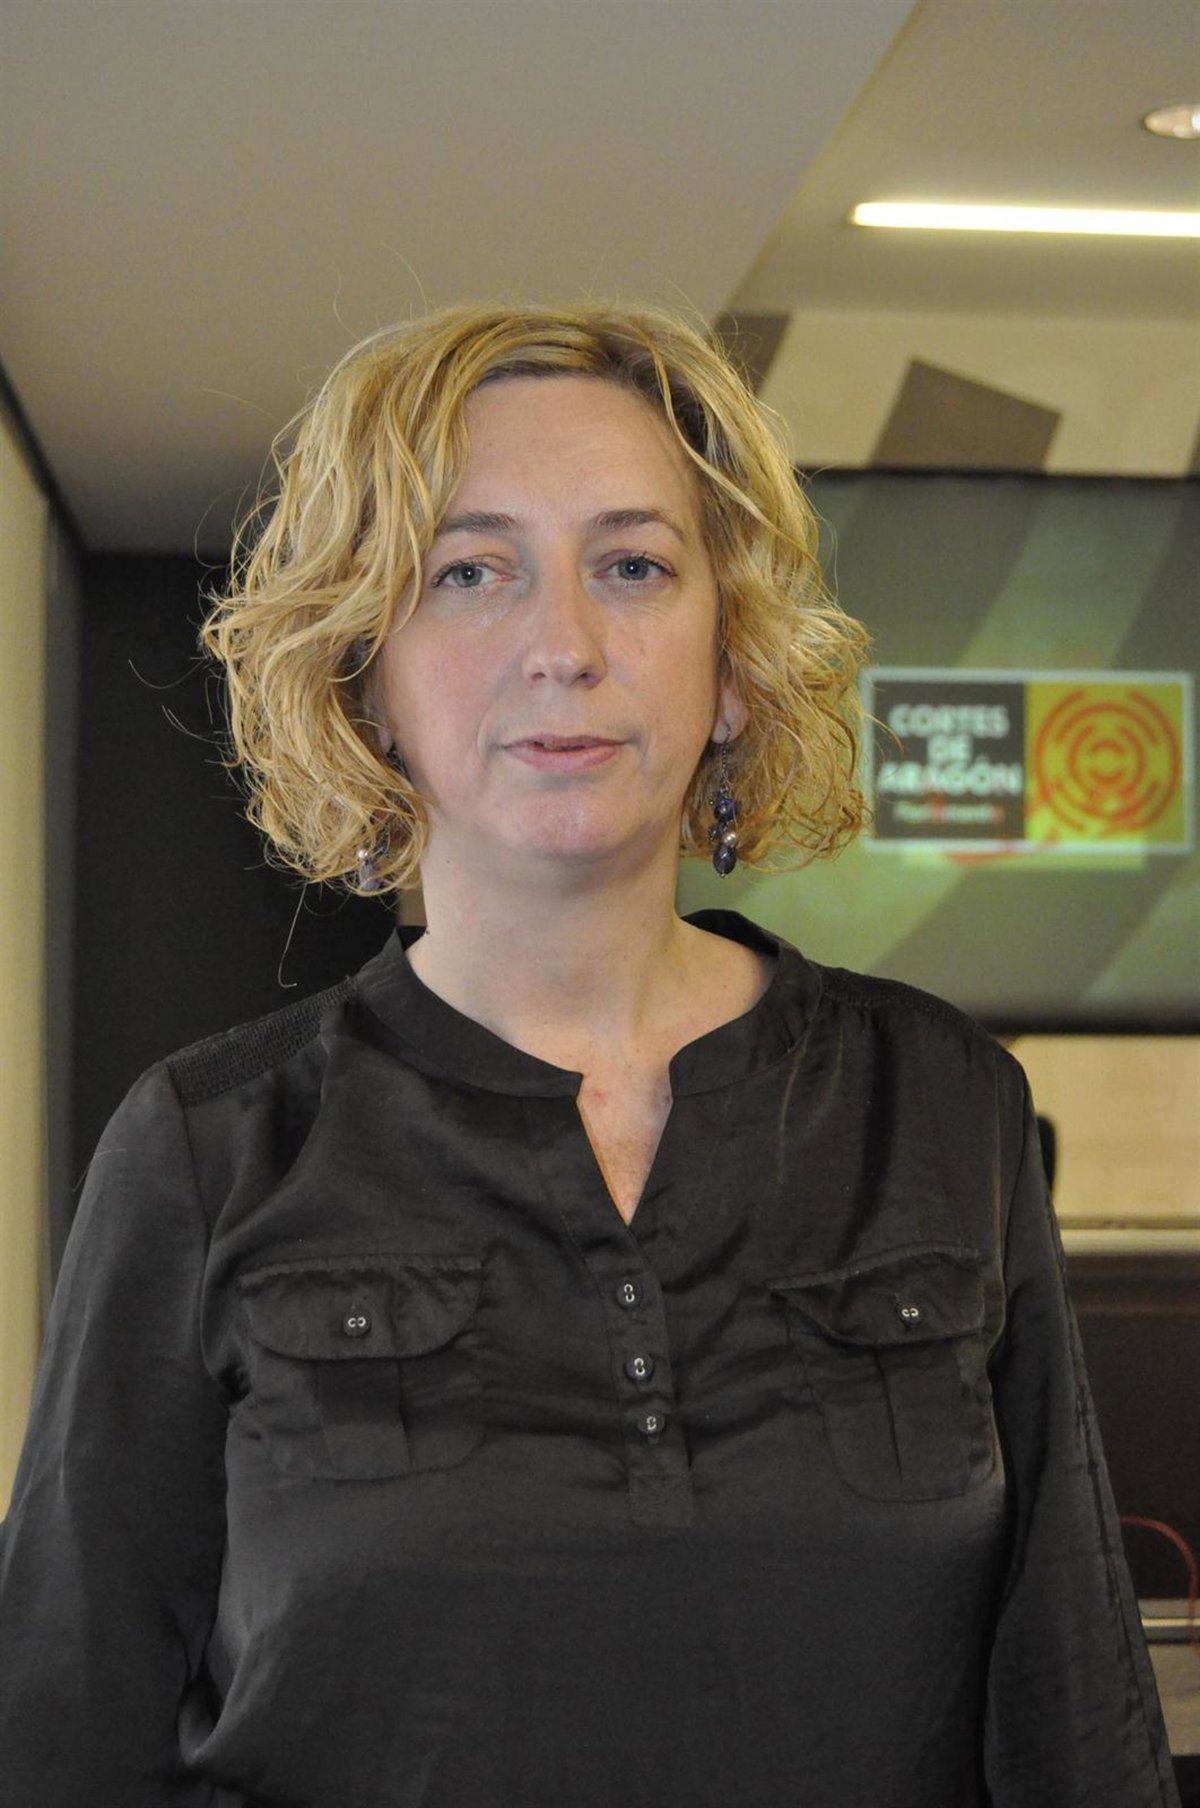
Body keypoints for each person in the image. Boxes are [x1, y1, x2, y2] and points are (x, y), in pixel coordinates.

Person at [0, 302, 1178, 1808]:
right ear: (364, 675)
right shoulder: (208, 1146)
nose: (563, 646)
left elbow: (1073, 1711)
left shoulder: (942, 1104)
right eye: (468, 571)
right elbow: (62, 1736)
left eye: (633, 567)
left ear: (732, 662)